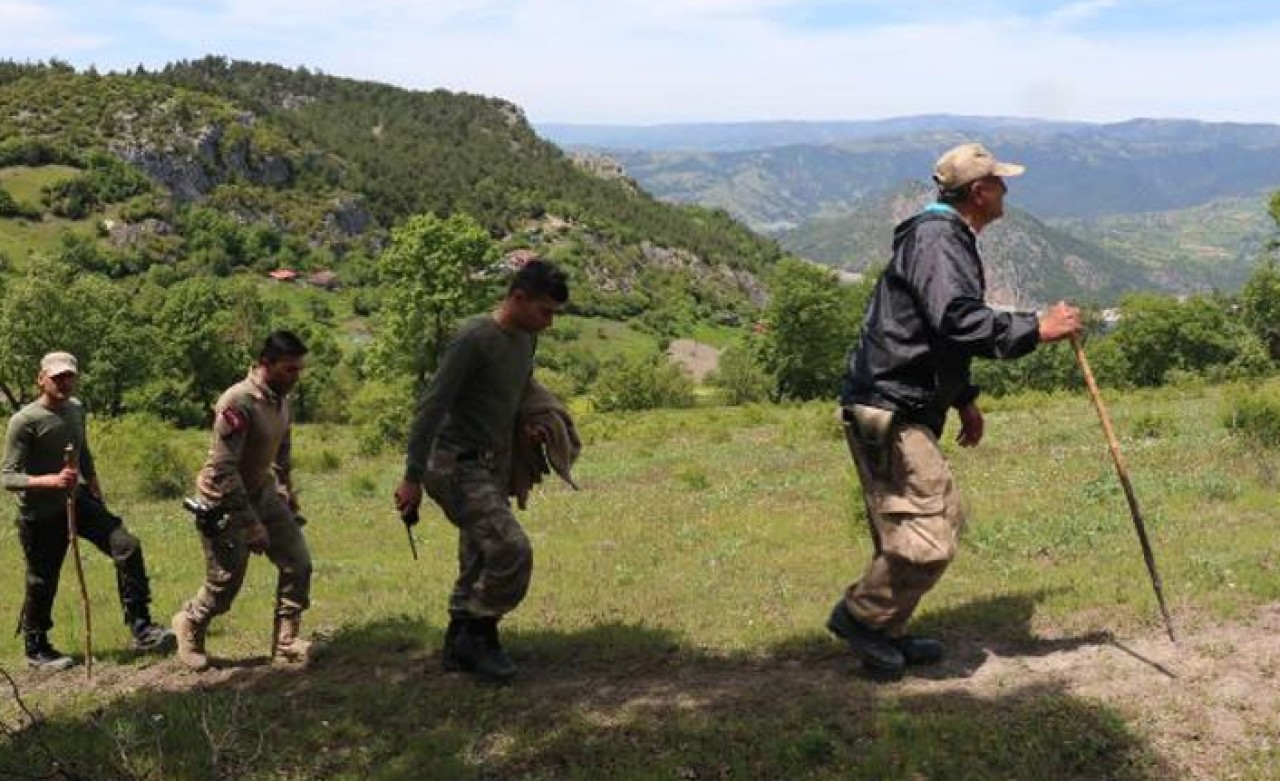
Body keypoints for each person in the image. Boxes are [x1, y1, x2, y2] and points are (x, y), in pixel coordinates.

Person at [828, 142, 1084, 680]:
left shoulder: (947, 237)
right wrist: (1037, 328)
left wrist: (962, 396)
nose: (1007, 189)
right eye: (999, 181)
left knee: (934, 519)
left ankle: (885, 629)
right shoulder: (939, 239)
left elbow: (934, 335)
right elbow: (956, 319)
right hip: (890, 407)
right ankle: (861, 619)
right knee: (926, 535)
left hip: (906, 400)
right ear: (979, 191)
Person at [394, 259, 569, 683]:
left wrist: (529, 427)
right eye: (544, 311)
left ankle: (457, 645)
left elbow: (513, 392)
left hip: (492, 464)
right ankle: (479, 634)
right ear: (518, 297)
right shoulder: (474, 338)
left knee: (478, 555)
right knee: (511, 549)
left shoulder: (525, 340)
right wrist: (412, 477)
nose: (548, 323)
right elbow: (432, 405)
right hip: (453, 463)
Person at [3, 351, 174, 670]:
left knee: (127, 547)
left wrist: (92, 481)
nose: (64, 383)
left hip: (78, 500)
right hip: (41, 514)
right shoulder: (24, 421)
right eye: (57, 378)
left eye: (69, 377)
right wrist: (51, 480)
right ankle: (36, 646)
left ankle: (141, 627)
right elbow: (8, 477)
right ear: (41, 379)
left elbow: (83, 450)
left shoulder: (77, 409)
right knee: (43, 580)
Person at [172, 331, 313, 671]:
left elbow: (282, 448)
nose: (296, 377)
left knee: (298, 562)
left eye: (298, 370)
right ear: (266, 364)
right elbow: (223, 469)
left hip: (263, 493)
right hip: (224, 501)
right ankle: (190, 623)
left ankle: (286, 643)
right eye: (289, 370)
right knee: (225, 584)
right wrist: (251, 524)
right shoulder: (238, 402)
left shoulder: (280, 399)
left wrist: (286, 490)